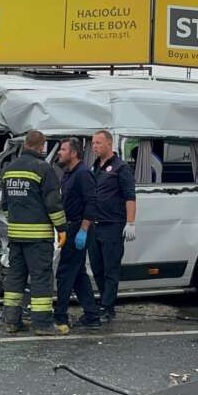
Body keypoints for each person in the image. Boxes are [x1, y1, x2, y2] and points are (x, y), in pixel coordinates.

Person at [0, 130, 67, 335]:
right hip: (38, 237)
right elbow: (53, 204)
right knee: (40, 278)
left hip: (16, 235)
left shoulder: (10, 169)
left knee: (15, 277)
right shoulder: (44, 169)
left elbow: (5, 206)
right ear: (41, 146)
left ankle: (11, 321)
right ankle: (42, 324)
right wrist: (62, 229)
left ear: (25, 144)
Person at [54, 138, 103, 330]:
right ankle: (92, 315)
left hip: (78, 228)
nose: (59, 152)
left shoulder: (83, 174)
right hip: (69, 227)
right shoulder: (68, 174)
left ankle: (60, 316)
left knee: (65, 273)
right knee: (78, 274)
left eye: (63, 149)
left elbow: (91, 203)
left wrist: (83, 230)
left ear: (73, 153)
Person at [88, 130, 137, 322]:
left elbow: (130, 197)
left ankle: (108, 307)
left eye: (98, 143)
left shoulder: (120, 168)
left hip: (112, 225)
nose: (94, 146)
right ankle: (104, 302)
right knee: (97, 268)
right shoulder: (94, 167)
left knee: (111, 269)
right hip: (94, 225)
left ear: (109, 144)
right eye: (93, 143)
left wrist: (130, 222)